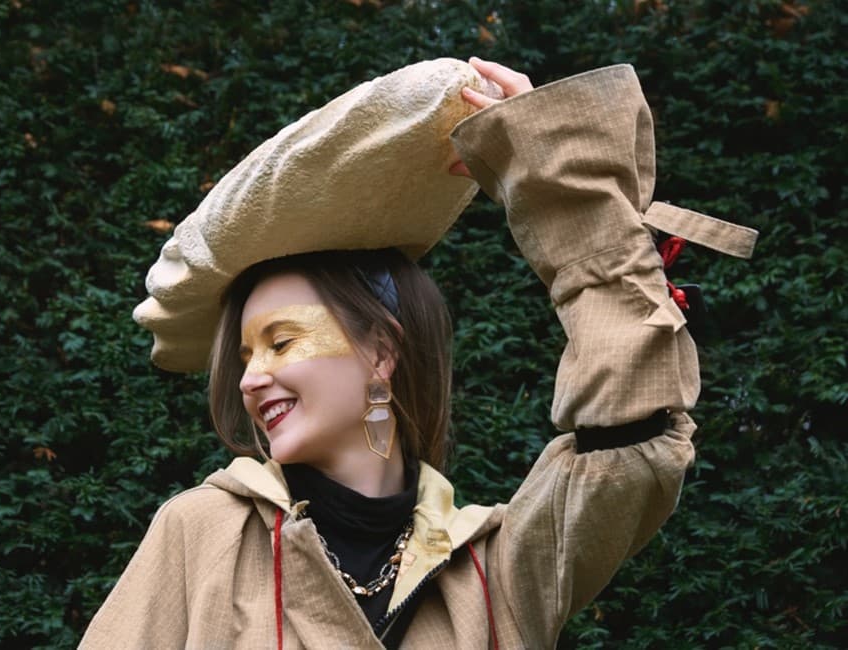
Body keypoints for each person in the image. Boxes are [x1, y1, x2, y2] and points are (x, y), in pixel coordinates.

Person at [80, 57, 756, 648]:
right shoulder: (203, 532)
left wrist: (560, 187)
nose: (252, 378)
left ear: (381, 352)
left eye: (281, 341)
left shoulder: (498, 569)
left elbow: (631, 433)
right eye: (246, 355)